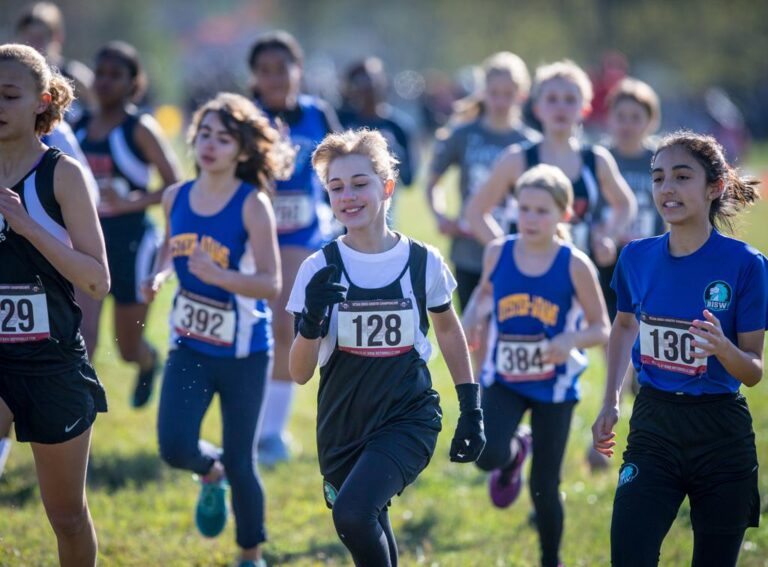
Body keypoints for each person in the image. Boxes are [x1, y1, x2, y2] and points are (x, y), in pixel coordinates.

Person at [287, 129, 485, 566]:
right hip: (342, 427)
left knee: (354, 515)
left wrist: (471, 407)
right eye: (336, 188)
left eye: (360, 183)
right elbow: (299, 372)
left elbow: (449, 332)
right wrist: (311, 322)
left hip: (407, 417)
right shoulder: (317, 268)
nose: (348, 196)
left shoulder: (423, 261)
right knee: (368, 520)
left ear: (387, 187)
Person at [592, 131, 767, 567]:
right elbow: (624, 325)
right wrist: (611, 400)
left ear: (714, 187)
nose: (667, 188)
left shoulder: (746, 264)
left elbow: (753, 370)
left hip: (720, 434)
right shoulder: (634, 257)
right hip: (654, 427)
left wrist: (723, 348)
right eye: (658, 178)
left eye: (682, 176)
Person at [142, 93, 288, 567]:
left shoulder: (252, 205)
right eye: (204, 133)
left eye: (223, 139)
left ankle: (250, 554)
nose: (209, 145)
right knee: (175, 446)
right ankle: (210, 472)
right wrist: (161, 275)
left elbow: (271, 283)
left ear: (242, 151)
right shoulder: (174, 196)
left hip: (245, 353)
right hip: (189, 345)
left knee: (243, 462)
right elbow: (171, 246)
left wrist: (220, 276)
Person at [463, 164, 610, 567]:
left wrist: (570, 340)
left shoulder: (575, 263)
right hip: (505, 378)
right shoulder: (498, 251)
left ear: (564, 214)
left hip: (555, 387)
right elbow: (483, 294)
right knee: (485, 454)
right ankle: (513, 453)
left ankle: (551, 559)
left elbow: (602, 328)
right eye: (524, 209)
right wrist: (474, 315)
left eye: (542, 211)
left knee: (545, 486)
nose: (530, 218)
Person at [0, 43, 109, 567]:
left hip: (51, 361)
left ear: (41, 101)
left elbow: (96, 281)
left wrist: (26, 226)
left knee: (65, 516)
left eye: (8, 95)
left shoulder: (61, 175)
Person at [247, 30, 340, 465]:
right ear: (254, 77)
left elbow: (343, 161)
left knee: (285, 326)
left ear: (298, 70)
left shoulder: (318, 114)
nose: (275, 77)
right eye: (265, 70)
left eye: (282, 68)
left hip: (301, 233)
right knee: (249, 330)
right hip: (251, 233)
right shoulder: (246, 118)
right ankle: (244, 422)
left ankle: (270, 434)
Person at [75, 41, 180, 408]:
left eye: (116, 76)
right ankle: (76, 419)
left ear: (133, 82)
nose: (105, 83)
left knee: (128, 349)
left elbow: (176, 185)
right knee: (83, 338)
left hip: (133, 244)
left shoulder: (140, 128)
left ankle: (150, 362)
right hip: (87, 241)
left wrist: (132, 201)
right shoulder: (80, 126)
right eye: (100, 73)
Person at [465, 60, 636, 271]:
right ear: (537, 108)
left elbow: (626, 203)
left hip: (577, 277)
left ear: (585, 108)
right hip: (526, 276)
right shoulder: (517, 159)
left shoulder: (597, 160)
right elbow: (475, 212)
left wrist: (609, 236)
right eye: (552, 99)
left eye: (570, 99)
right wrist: (506, 254)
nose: (561, 107)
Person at [427, 51, 540, 313]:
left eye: (508, 93)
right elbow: (433, 182)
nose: (500, 100)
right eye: (494, 92)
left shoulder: (531, 143)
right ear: (483, 92)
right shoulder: (463, 134)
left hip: (517, 251)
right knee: (473, 330)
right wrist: (440, 215)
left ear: (521, 95)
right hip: (469, 251)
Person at [338, 57, 418, 188]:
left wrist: (393, 150)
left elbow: (409, 179)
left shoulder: (398, 126)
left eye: (372, 81)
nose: (368, 88)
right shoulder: (340, 121)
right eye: (360, 82)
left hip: (385, 203)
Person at [15, 2, 94, 123]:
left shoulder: (73, 74)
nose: (33, 44)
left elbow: (98, 108)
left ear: (56, 38)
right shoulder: (9, 74)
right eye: (29, 37)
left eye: (40, 38)